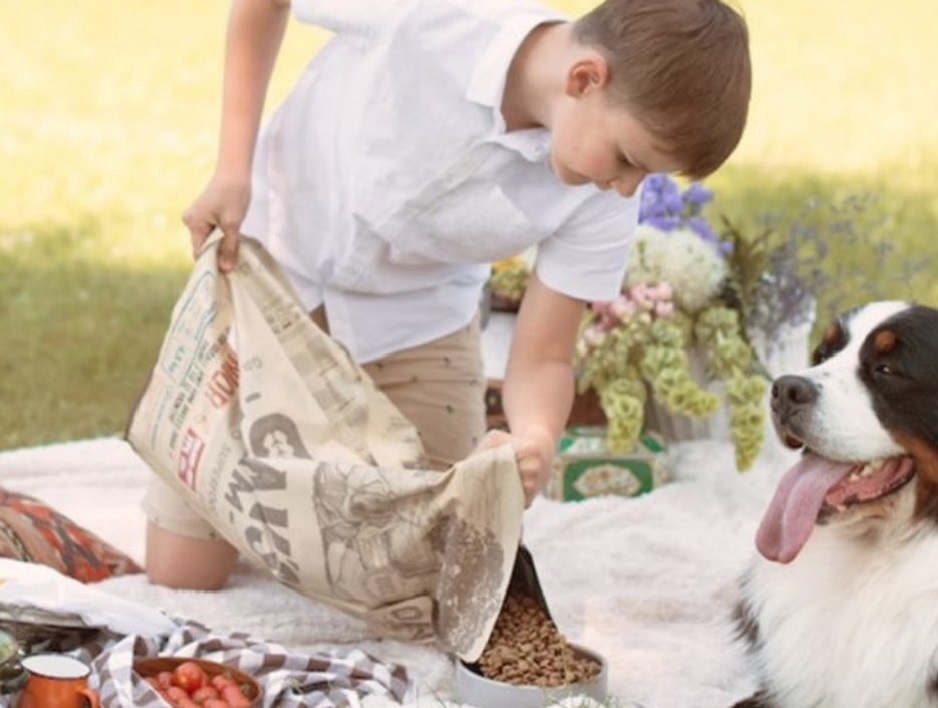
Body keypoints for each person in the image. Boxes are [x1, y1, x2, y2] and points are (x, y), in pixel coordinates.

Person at [143, 0, 751, 590]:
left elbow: (545, 357)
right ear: (585, 77)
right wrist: (232, 168)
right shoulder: (431, 15)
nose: (626, 190)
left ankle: (309, 502)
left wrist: (533, 437)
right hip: (271, 276)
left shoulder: (602, 196)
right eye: (628, 159)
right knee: (184, 573)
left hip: (415, 327)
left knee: (423, 578)